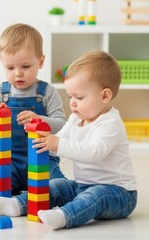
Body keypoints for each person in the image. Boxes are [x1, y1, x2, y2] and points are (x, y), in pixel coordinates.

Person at [33, 51, 138, 229]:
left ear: (105, 96)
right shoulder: (75, 118)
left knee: (95, 196)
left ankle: (64, 216)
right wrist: (44, 142)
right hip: (82, 186)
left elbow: (93, 152)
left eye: (79, 97)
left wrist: (58, 144)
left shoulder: (110, 122)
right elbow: (58, 141)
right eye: (70, 97)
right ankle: (19, 203)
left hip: (119, 194)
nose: (72, 103)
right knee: (56, 185)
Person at [0, 23, 66, 216]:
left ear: (40, 61)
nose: (17, 73)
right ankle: (24, 191)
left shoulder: (47, 92)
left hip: (44, 159)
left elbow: (61, 124)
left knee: (59, 185)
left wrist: (40, 119)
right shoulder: (0, 92)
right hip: (10, 160)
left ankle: (23, 195)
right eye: (10, 67)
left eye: (25, 66)